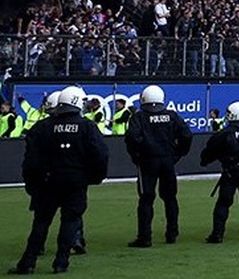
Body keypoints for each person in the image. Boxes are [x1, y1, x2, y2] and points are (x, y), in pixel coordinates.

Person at [10, 87, 108, 275]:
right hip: (75, 181)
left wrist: (32, 183)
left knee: (41, 222)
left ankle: (28, 262)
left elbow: (30, 159)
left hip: (48, 182)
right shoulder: (87, 127)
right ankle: (61, 262)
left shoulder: (43, 126)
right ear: (77, 102)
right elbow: (100, 155)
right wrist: (93, 177)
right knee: (70, 221)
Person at [125, 85, 193, 247]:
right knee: (170, 198)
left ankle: (145, 237)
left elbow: (132, 138)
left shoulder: (139, 117)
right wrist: (178, 153)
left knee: (146, 199)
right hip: (168, 160)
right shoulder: (171, 115)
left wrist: (137, 156)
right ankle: (172, 233)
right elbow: (187, 135)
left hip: (147, 161)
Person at [200, 101, 239, 243]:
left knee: (224, 202)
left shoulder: (225, 133)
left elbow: (211, 149)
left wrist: (205, 161)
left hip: (231, 171)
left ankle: (217, 234)